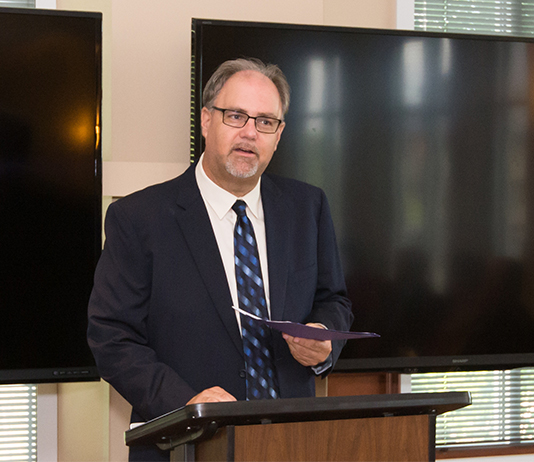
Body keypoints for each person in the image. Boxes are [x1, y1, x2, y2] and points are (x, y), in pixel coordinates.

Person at [87, 58, 353, 461]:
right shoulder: (139, 218)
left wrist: (323, 341)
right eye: (236, 116)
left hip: (294, 443)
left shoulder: (307, 207)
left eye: (266, 121)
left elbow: (335, 300)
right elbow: (112, 338)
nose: (250, 132)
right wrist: (189, 402)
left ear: (279, 135)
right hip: (185, 444)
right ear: (207, 121)